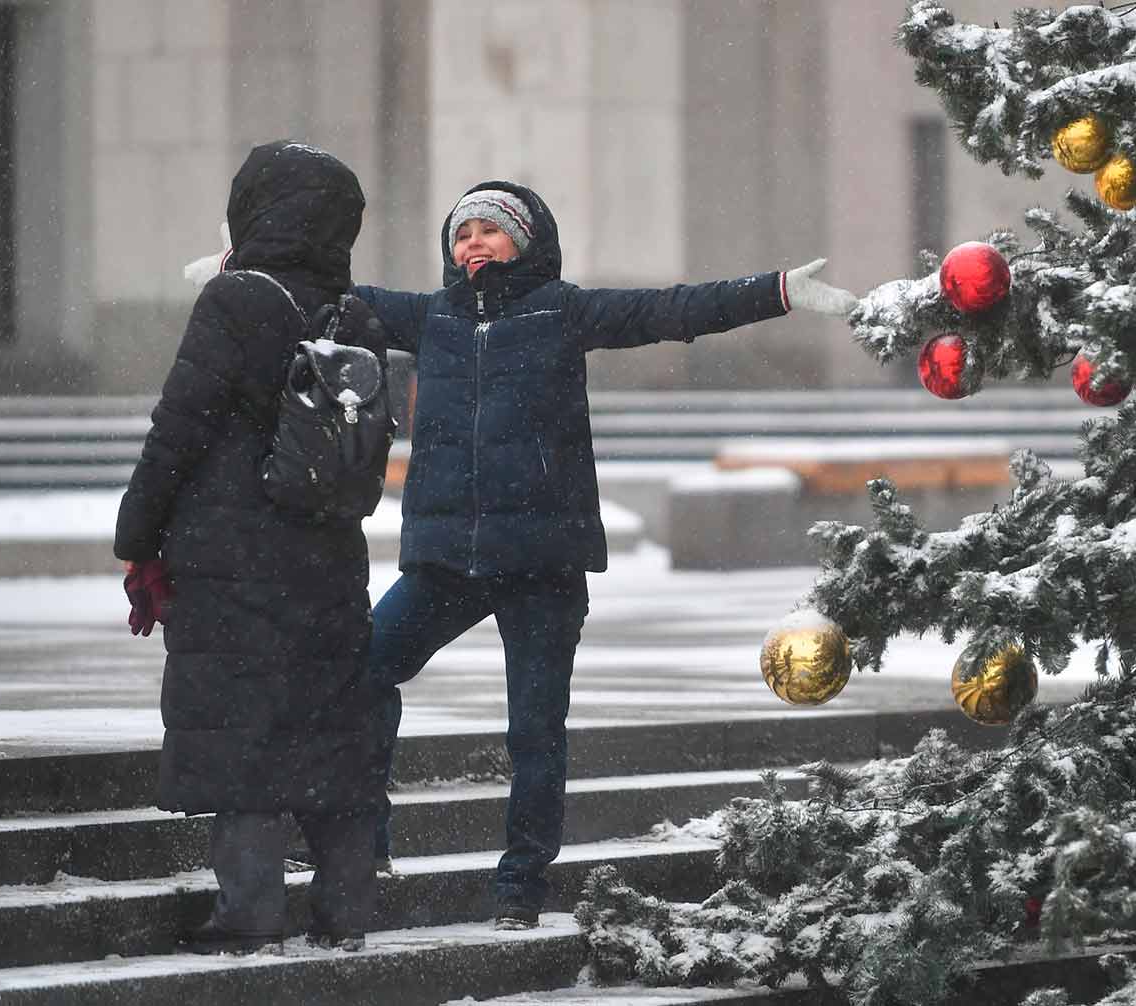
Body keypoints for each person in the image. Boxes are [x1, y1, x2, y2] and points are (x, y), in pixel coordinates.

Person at [354, 181, 857, 929]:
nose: (474, 245)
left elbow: (672, 311)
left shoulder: (563, 310)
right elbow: (327, 294)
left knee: (533, 730)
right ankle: (363, 847)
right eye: (463, 234)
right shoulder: (432, 318)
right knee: (359, 670)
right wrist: (243, 268)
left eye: (491, 230)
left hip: (542, 563)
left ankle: (520, 887)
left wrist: (777, 291)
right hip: (447, 560)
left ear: (524, 240)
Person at [114, 140, 388, 954]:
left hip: (230, 556)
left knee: (245, 740)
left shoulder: (236, 301)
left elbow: (180, 428)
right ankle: (344, 918)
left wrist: (137, 534)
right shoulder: (356, 313)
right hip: (329, 558)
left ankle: (250, 917)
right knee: (331, 743)